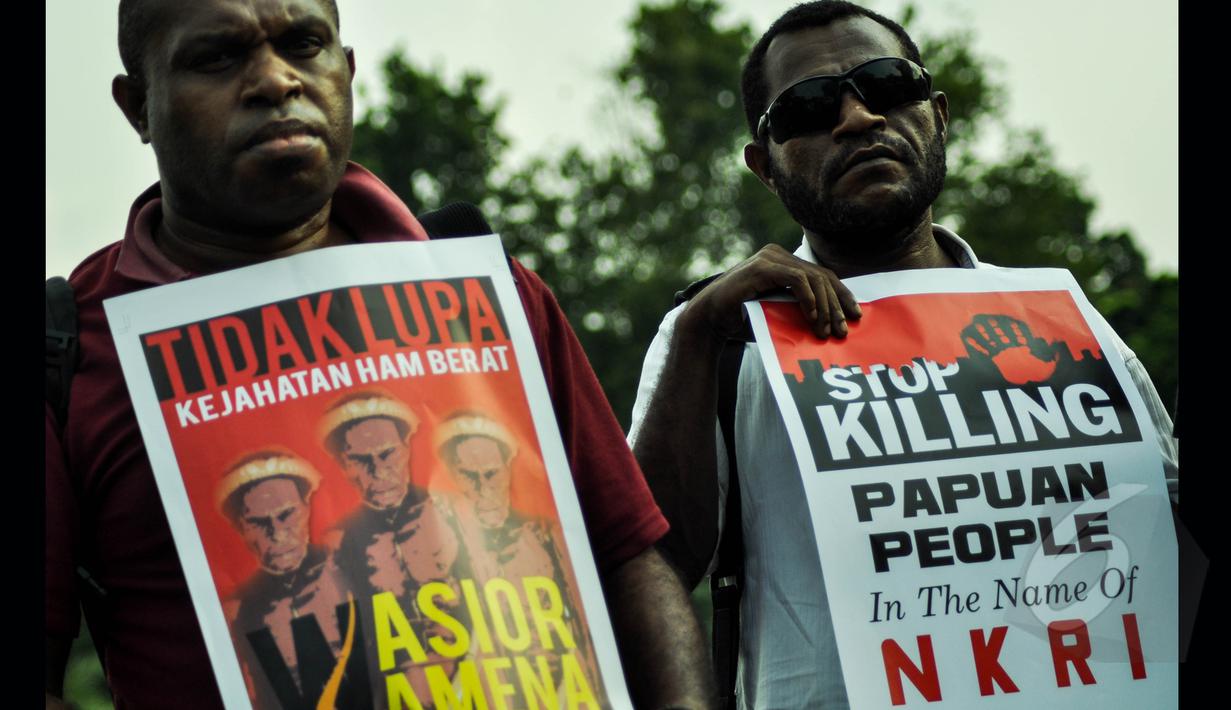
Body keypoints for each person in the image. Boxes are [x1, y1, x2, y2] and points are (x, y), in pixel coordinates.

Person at [44, 1, 713, 707]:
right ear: (137, 105)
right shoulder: (70, 345)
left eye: (304, 45)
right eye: (216, 57)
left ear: (347, 70)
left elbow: (626, 557)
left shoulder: (490, 293)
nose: (275, 81)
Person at [627, 2, 1180, 708]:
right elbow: (651, 562)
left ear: (937, 115)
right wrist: (696, 332)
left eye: (887, 84)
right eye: (808, 107)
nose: (857, 119)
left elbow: (1164, 523)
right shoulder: (725, 335)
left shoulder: (1061, 321)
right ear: (764, 167)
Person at [435, 412, 602, 693]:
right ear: (452, 475)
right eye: (468, 475)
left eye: (491, 473)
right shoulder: (443, 548)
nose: (483, 487)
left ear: (507, 468)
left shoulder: (548, 536)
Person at [216, 450, 351, 707]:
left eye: (287, 514)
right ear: (240, 529)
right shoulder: (233, 611)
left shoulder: (347, 565)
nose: (277, 534)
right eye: (257, 523)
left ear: (306, 507)